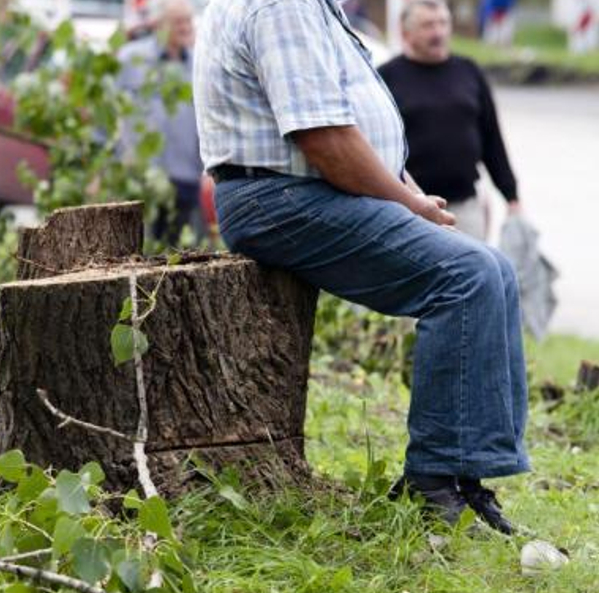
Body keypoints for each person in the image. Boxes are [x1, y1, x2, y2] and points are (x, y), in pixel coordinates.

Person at [194, 0, 528, 534]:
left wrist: (413, 197)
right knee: (466, 276)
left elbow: (355, 132)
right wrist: (406, 202)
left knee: (492, 268)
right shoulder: (283, 7)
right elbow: (323, 139)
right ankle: (435, 482)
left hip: (307, 190)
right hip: (280, 197)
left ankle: (467, 474)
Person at [378, 0, 520, 241]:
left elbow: (492, 139)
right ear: (405, 32)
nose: (438, 32)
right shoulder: (386, 78)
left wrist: (512, 197)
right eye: (428, 25)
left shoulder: (469, 71)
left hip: (466, 208)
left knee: (476, 274)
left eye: (443, 23)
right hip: (409, 208)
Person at [117, 0, 204, 243]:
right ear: (159, 25)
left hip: (185, 174)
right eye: (178, 21)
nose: (185, 27)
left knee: (176, 254)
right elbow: (109, 109)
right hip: (141, 176)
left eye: (188, 20)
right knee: (136, 248)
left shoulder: (198, 64)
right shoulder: (132, 58)